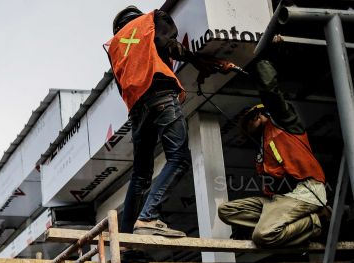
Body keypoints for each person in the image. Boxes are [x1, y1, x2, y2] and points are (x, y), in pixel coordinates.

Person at [106, 6, 227, 237]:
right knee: (178, 158)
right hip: (160, 92)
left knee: (140, 174)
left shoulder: (114, 45)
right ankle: (149, 216)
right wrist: (198, 60)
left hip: (136, 109)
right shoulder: (151, 20)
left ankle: (127, 239)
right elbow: (166, 45)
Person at [217, 59, 330, 247]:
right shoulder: (262, 146)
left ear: (261, 115)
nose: (247, 126)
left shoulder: (285, 122)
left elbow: (271, 91)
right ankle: (284, 221)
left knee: (263, 236)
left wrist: (260, 59)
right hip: (278, 199)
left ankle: (317, 221)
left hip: (304, 192)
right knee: (226, 211)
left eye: (250, 120)